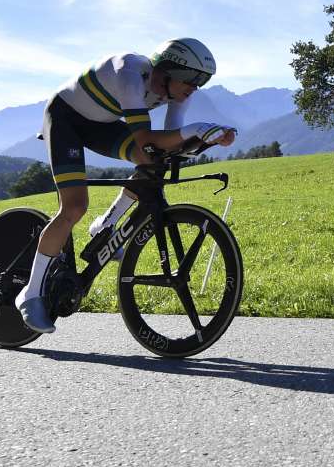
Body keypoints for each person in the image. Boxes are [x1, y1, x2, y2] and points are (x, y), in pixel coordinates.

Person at [15, 38, 236, 333]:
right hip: (65, 117)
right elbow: (147, 139)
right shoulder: (130, 74)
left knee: (153, 161)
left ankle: (105, 225)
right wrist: (197, 130)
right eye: (192, 79)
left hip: (101, 124)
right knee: (75, 206)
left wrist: (208, 138)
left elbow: (169, 142)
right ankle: (29, 294)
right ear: (168, 70)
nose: (195, 87)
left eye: (202, 81)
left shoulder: (180, 92)